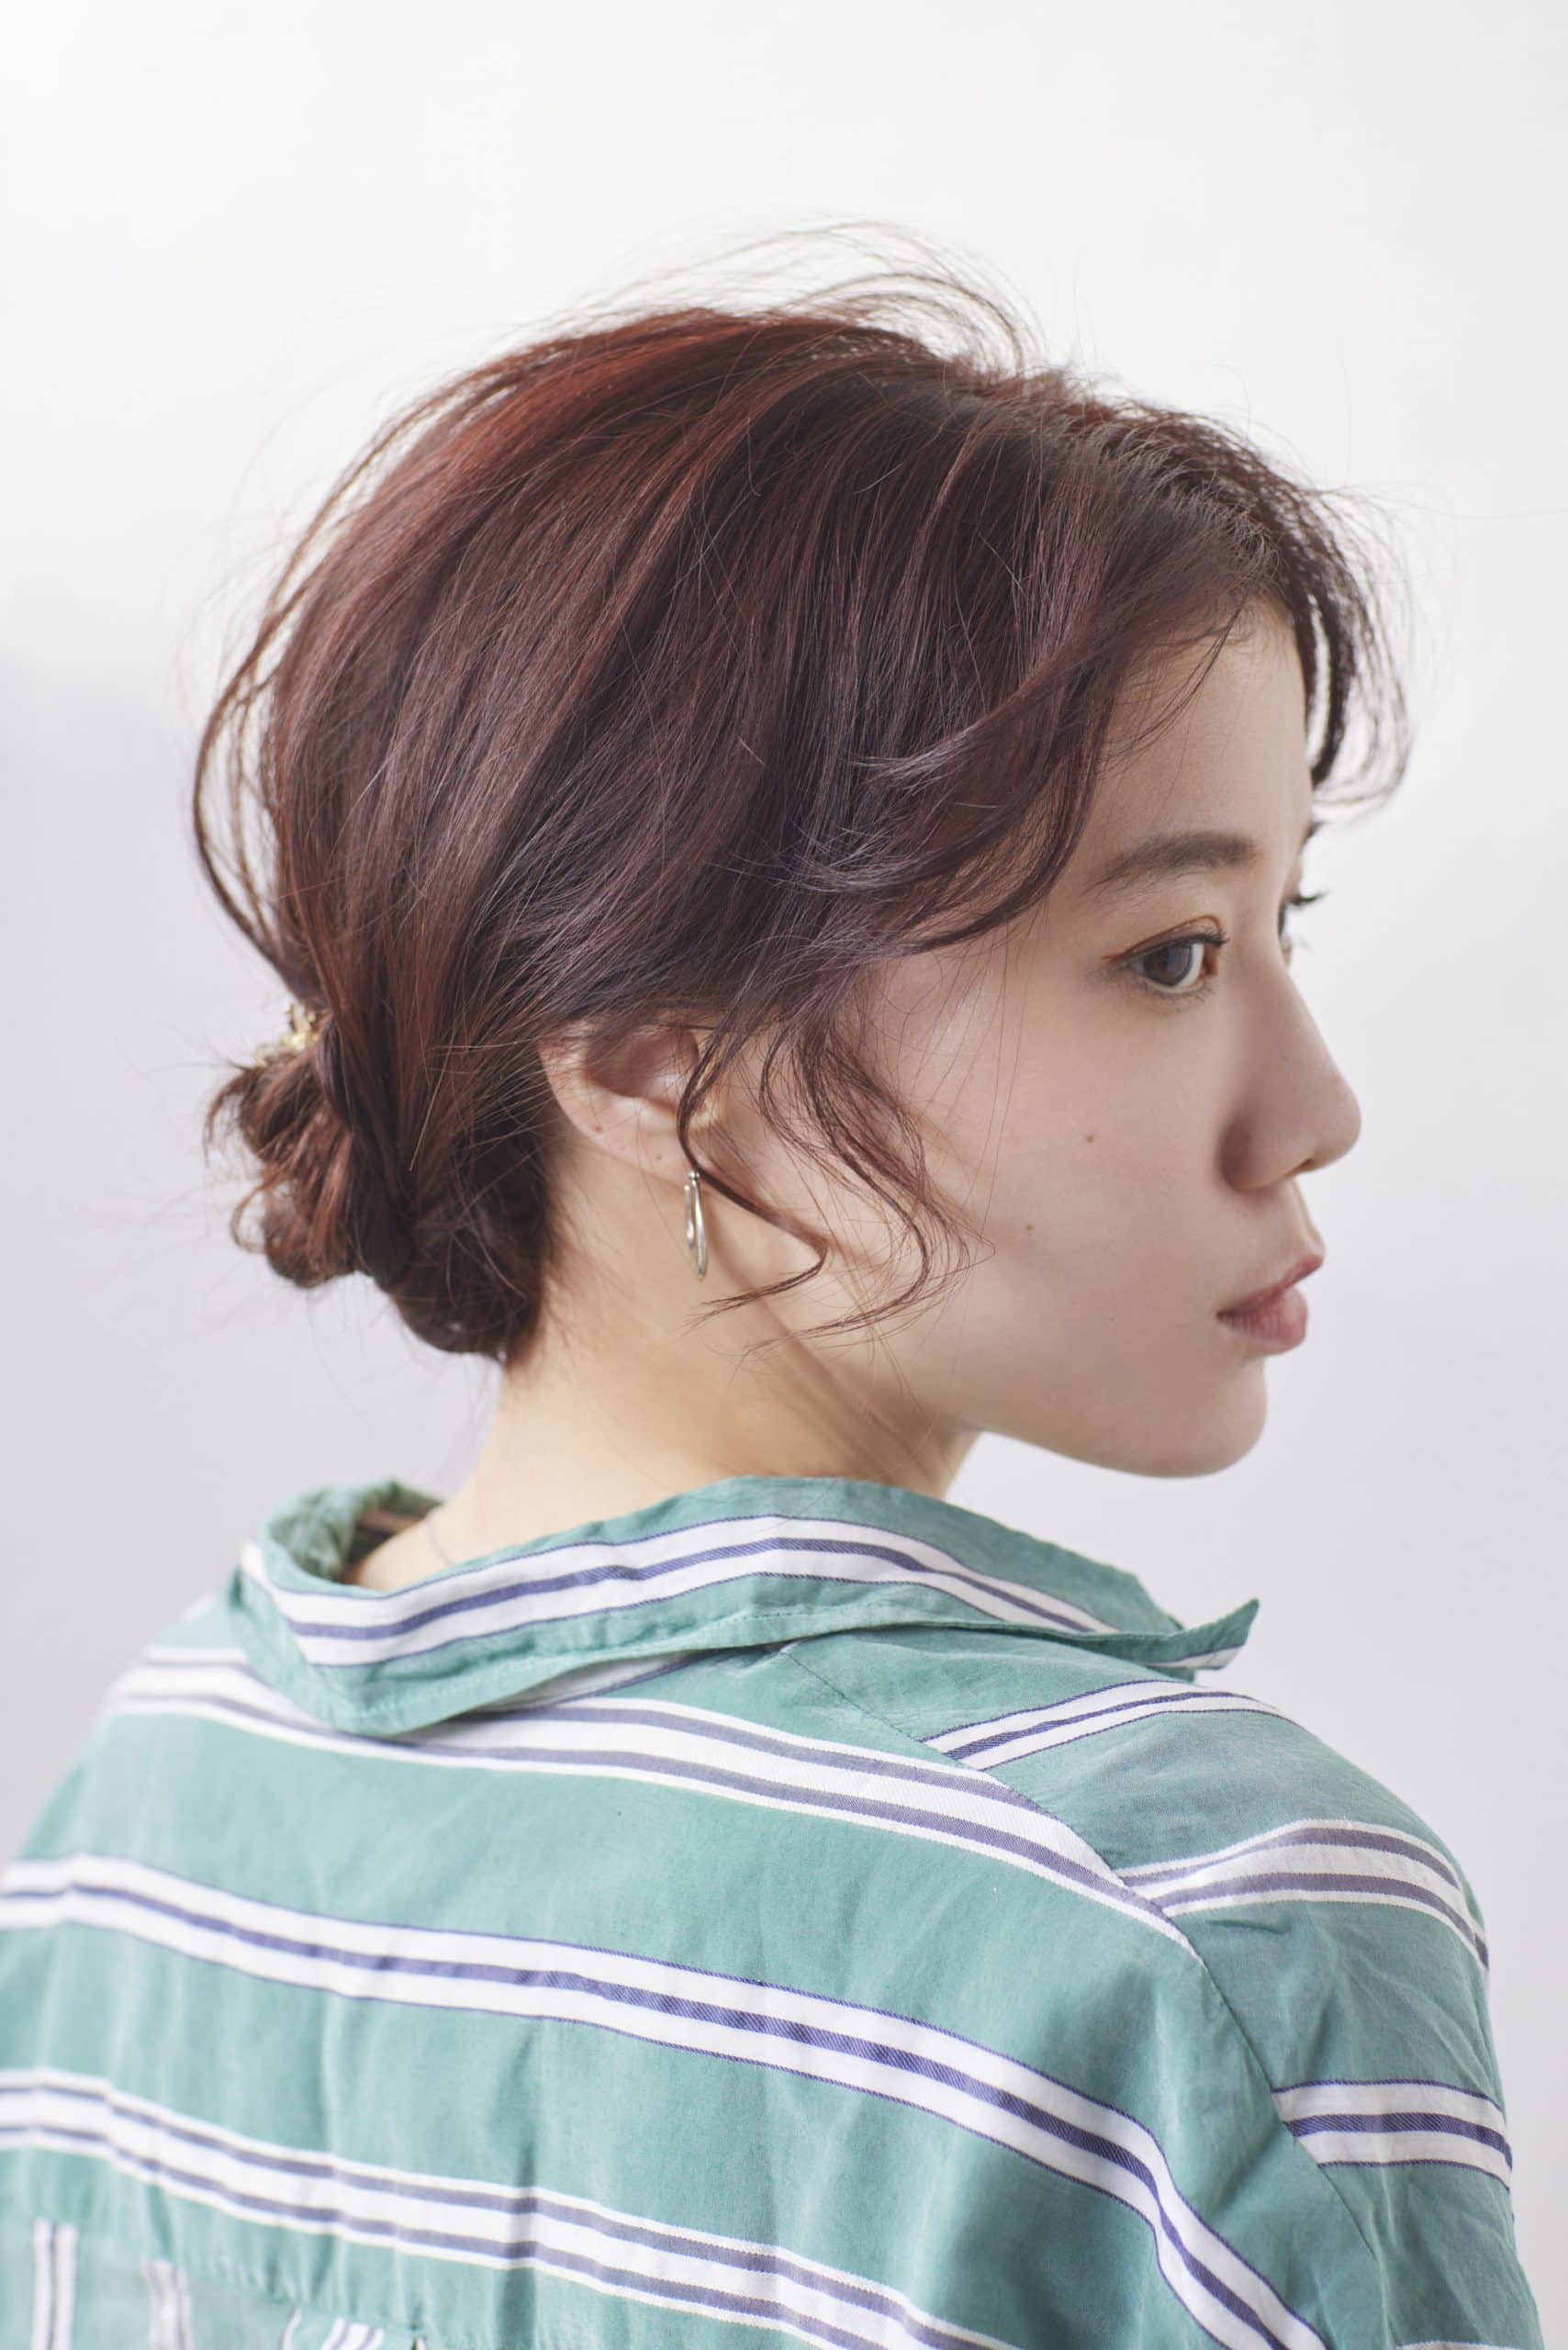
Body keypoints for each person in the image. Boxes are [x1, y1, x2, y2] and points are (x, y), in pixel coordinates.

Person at [0, 244, 1543, 2350]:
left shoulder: (145, 1812)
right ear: (655, 1060)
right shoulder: (1186, 1925)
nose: (1316, 1106)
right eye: (1169, 953)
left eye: (1284, 920)